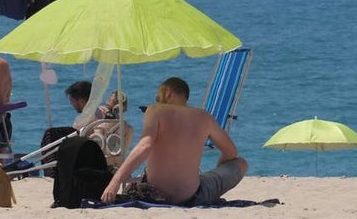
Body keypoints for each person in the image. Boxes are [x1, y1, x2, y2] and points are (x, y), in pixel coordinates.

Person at [100, 77, 248, 206]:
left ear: (168, 93)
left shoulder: (155, 110)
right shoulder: (204, 117)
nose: (157, 100)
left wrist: (115, 182)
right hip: (193, 196)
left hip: (156, 193)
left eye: (158, 96)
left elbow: (145, 145)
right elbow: (231, 152)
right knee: (241, 163)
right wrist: (216, 169)